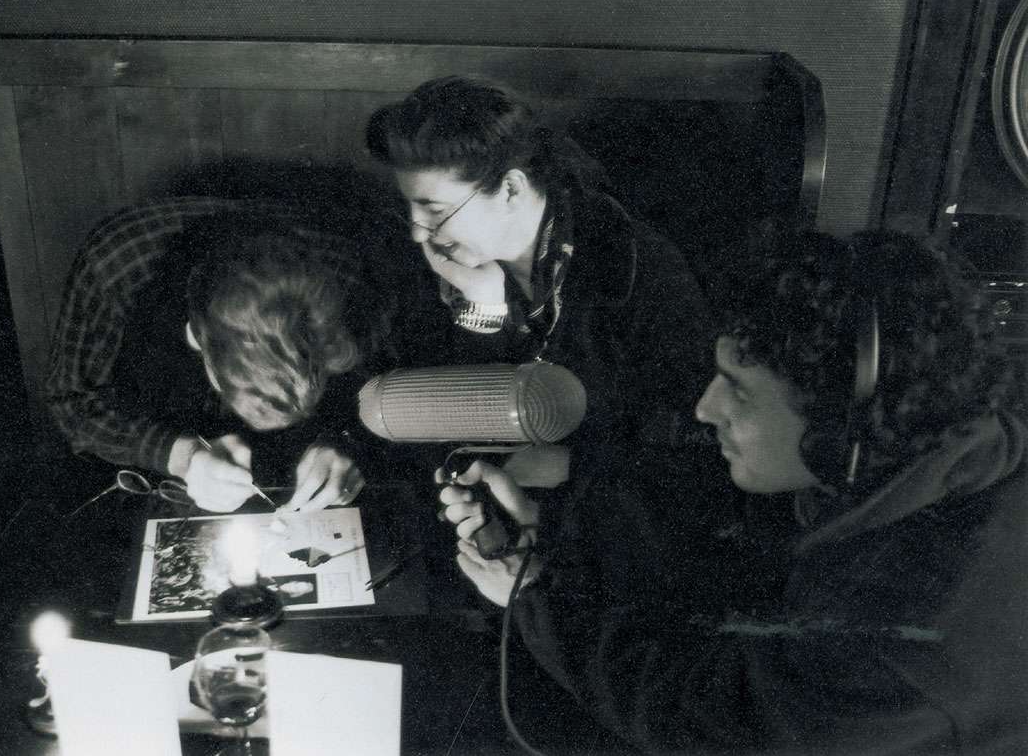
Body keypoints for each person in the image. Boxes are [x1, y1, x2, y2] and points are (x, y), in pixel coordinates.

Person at [439, 230, 1027, 753]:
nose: (705, 407)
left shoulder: (901, 655)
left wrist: (536, 597)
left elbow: (695, 717)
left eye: (739, 392)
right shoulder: (941, 449)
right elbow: (709, 504)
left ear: (835, 428)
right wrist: (571, 501)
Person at [365, 75, 717, 472]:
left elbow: (689, 439)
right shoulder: (437, 261)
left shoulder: (630, 266)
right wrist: (483, 315)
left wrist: (573, 467)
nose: (417, 231)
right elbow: (435, 417)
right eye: (411, 207)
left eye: (434, 209)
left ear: (511, 190)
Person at [46, 197, 413, 513]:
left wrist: (343, 441)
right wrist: (181, 456)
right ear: (195, 337)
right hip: (154, 478)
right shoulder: (116, 267)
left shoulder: (356, 276)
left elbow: (390, 387)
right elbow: (73, 402)